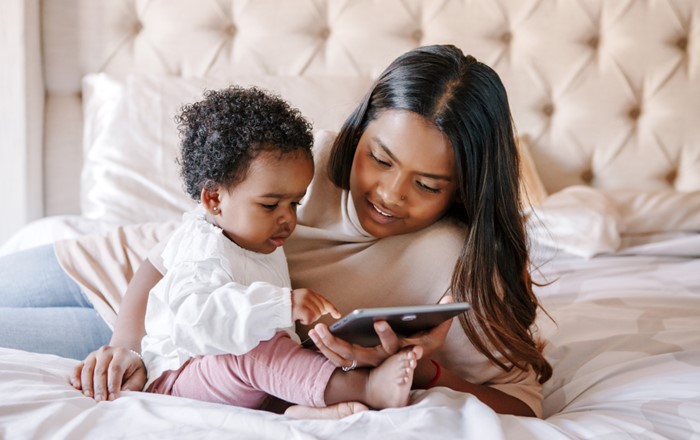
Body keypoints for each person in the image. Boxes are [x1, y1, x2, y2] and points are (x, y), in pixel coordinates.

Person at [0, 44, 552, 418]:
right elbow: (171, 253)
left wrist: (427, 370)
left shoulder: (458, 263)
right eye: (379, 159)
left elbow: (522, 404)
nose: (389, 193)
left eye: (427, 185)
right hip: (128, 281)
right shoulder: (315, 159)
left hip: (186, 347)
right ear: (361, 132)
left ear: (464, 189)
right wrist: (124, 345)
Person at [140, 85, 421, 412]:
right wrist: (280, 305)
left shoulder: (261, 240)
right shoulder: (202, 245)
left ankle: (301, 411)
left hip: (240, 382)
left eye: (295, 202)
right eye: (270, 205)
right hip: (179, 379)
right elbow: (192, 321)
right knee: (256, 352)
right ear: (214, 199)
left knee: (279, 353)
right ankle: (365, 388)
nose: (288, 218)